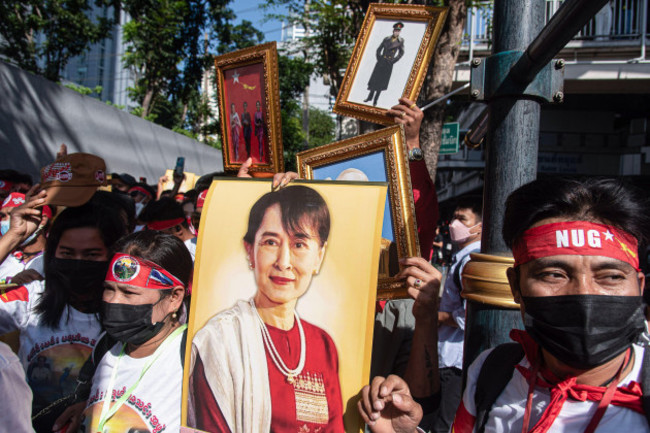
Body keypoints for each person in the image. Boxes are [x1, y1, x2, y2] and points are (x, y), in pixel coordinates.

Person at [358, 177, 650, 433]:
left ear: (640, 285)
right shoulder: (491, 374)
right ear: (515, 286)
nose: (584, 294)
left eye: (610, 277)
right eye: (554, 274)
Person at [188, 184, 344, 432]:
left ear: (319, 256)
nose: (283, 262)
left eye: (299, 244)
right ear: (250, 250)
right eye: (271, 242)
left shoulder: (323, 345)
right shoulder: (219, 341)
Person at [0, 191, 127, 426]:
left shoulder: (131, 308)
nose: (78, 262)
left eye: (91, 254)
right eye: (67, 253)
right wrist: (13, 236)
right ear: (53, 253)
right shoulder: (32, 296)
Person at [75, 230, 192, 433]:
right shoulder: (106, 344)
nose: (113, 301)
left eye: (128, 293)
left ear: (174, 297)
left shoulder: (193, 357)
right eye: (109, 289)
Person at [431, 196, 482, 433]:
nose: (454, 224)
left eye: (462, 219)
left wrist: (436, 316)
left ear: (480, 225)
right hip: (449, 357)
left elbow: (467, 315)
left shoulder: (472, 260)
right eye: (454, 217)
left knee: (445, 423)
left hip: (454, 360)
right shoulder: (464, 258)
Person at [364, 22, 405, 107]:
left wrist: (393, 61)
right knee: (375, 80)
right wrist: (379, 58)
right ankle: (369, 97)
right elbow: (379, 49)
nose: (396, 32)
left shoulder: (400, 41)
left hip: (388, 64)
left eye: (398, 31)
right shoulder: (386, 39)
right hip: (381, 62)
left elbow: (401, 53)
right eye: (395, 30)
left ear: (400, 32)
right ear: (393, 31)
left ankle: (375, 100)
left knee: (381, 82)